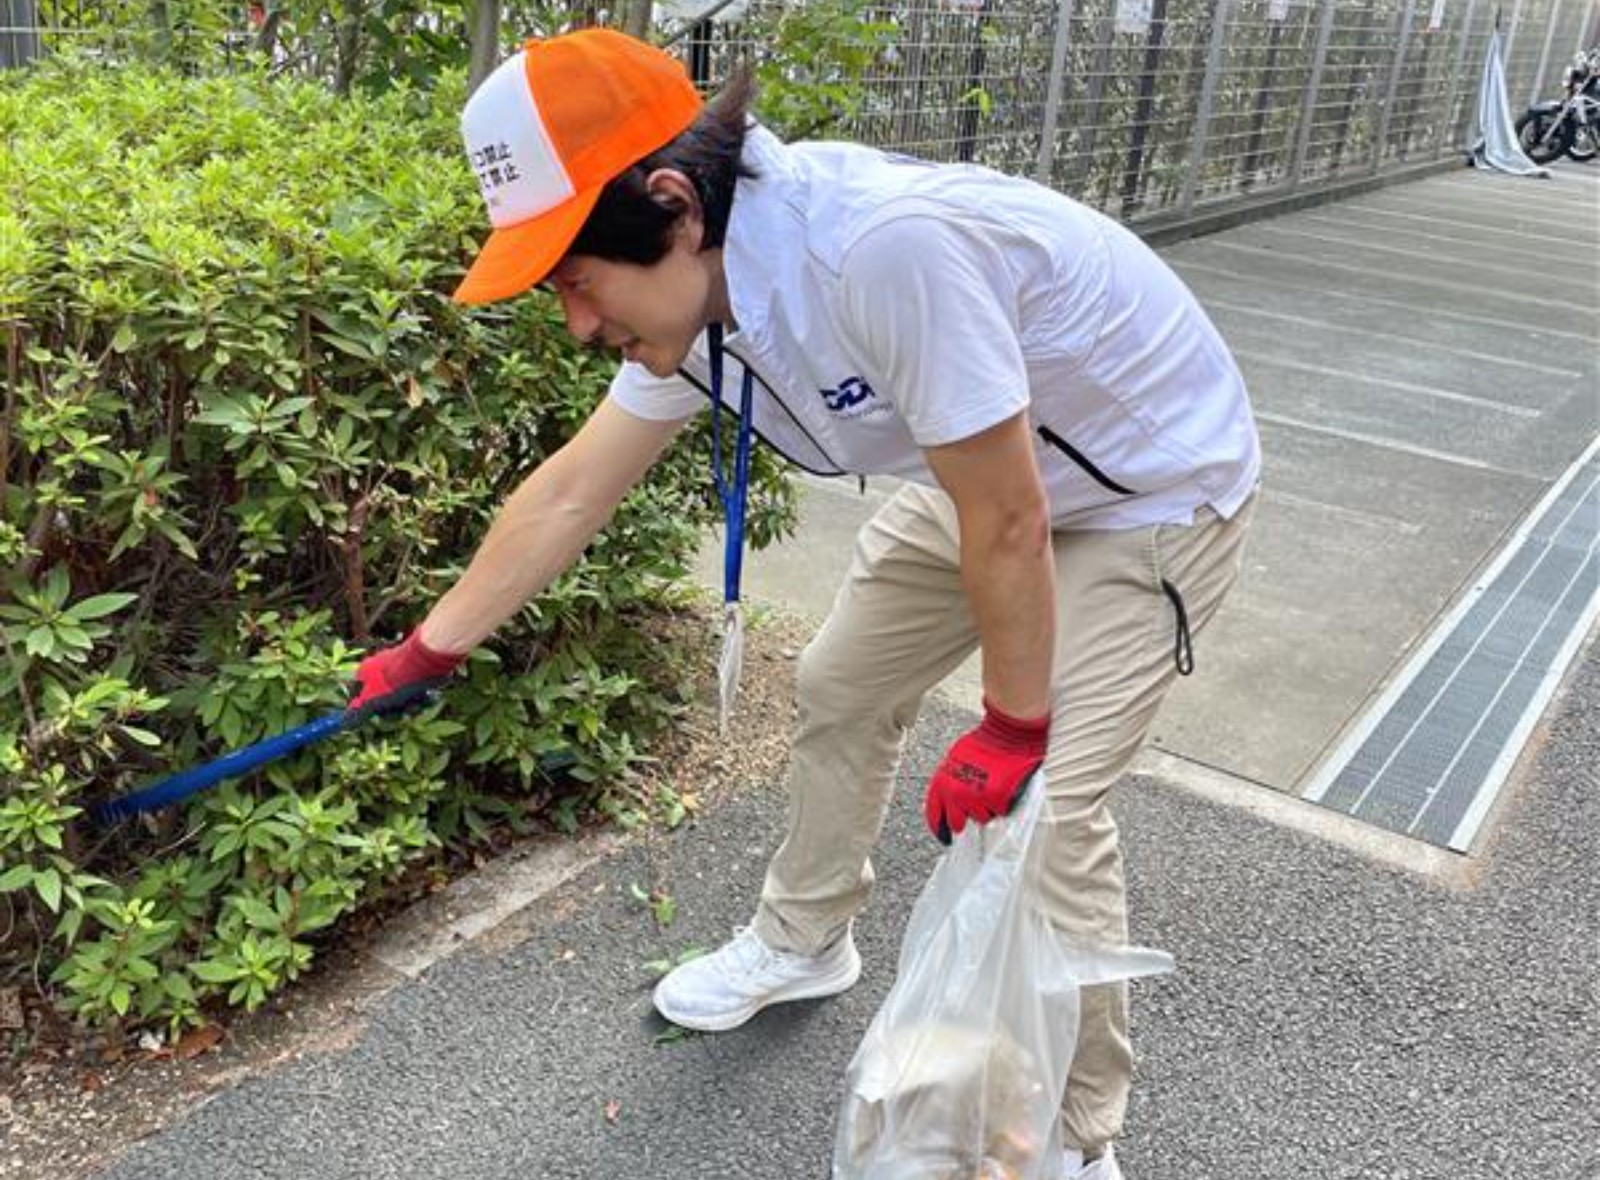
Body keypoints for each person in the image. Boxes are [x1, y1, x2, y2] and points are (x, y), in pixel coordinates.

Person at [350, 28, 1260, 1180]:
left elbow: (1010, 520)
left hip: (1146, 489)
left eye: (577, 280)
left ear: (674, 204)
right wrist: (428, 650)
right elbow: (575, 487)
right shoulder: (697, 297)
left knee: (1044, 815)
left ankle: (1077, 1137)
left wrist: (1010, 725)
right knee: (840, 685)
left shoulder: (875, 252)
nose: (577, 324)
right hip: (986, 462)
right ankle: (805, 936)